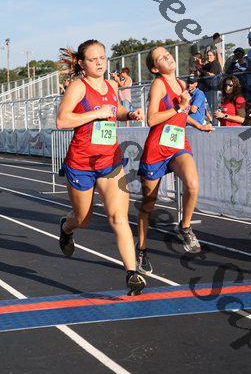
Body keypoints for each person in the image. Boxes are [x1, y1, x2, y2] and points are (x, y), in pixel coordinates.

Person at [56, 39, 146, 295]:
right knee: (82, 219)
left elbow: (115, 110)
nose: (99, 62)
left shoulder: (111, 85)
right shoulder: (78, 87)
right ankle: (66, 228)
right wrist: (95, 113)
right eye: (93, 59)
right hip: (82, 163)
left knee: (119, 217)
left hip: (110, 161)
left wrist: (129, 114)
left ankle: (132, 273)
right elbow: (62, 120)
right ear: (82, 64)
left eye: (102, 58)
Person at [137, 47, 213, 274]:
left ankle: (185, 226)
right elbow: (152, 119)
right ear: (155, 68)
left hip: (178, 144)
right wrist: (178, 106)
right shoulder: (159, 84)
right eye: (161, 57)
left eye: (167, 53)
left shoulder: (181, 84)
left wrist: (198, 125)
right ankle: (141, 249)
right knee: (148, 205)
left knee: (193, 184)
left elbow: (182, 114)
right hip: (157, 148)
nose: (168, 57)